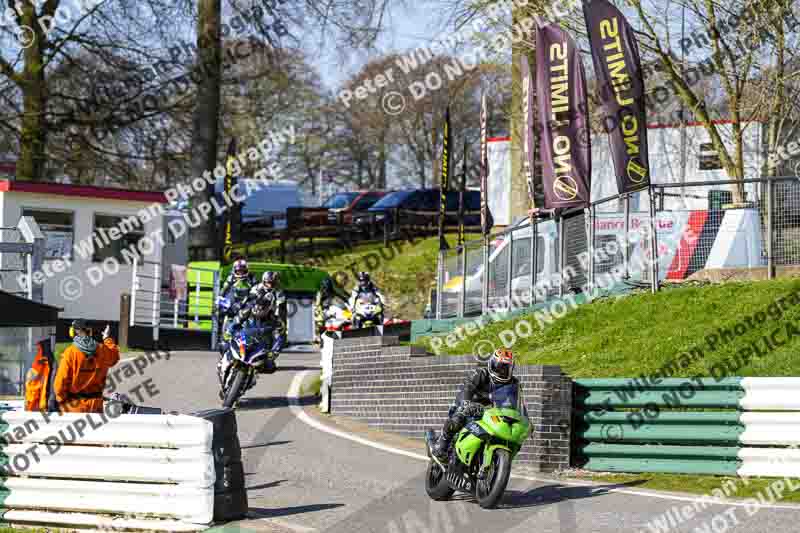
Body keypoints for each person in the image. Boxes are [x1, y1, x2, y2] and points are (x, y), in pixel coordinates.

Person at [430, 348, 517, 463]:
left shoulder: (513, 384)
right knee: (459, 417)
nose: (501, 371)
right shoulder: (480, 374)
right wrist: (467, 403)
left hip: (490, 412)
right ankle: (442, 444)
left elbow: (517, 403)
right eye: (499, 367)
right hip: (468, 404)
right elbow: (468, 388)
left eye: (505, 368)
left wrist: (524, 417)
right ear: (491, 364)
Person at [53, 320, 120, 413]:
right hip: (96, 405)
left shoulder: (70, 353)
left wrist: (61, 401)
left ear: (72, 332)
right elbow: (115, 356)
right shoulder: (102, 350)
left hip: (74, 407)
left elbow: (59, 385)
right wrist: (107, 338)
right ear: (90, 332)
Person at [218, 258, 258, 355]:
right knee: (223, 319)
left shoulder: (252, 278)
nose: (240, 273)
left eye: (242, 271)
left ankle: (251, 346)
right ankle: (225, 344)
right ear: (234, 270)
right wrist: (219, 302)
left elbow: (257, 291)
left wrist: (253, 301)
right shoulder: (230, 278)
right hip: (233, 306)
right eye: (238, 271)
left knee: (252, 324)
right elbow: (223, 291)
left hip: (247, 306)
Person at [313, 277, 349, 344]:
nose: (326, 288)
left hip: (332, 309)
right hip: (323, 310)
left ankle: (344, 332)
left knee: (346, 317)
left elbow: (340, 297)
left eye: (328, 286)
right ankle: (319, 337)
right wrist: (319, 309)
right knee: (320, 322)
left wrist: (346, 301)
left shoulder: (332, 292)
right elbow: (317, 304)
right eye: (326, 286)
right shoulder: (320, 293)